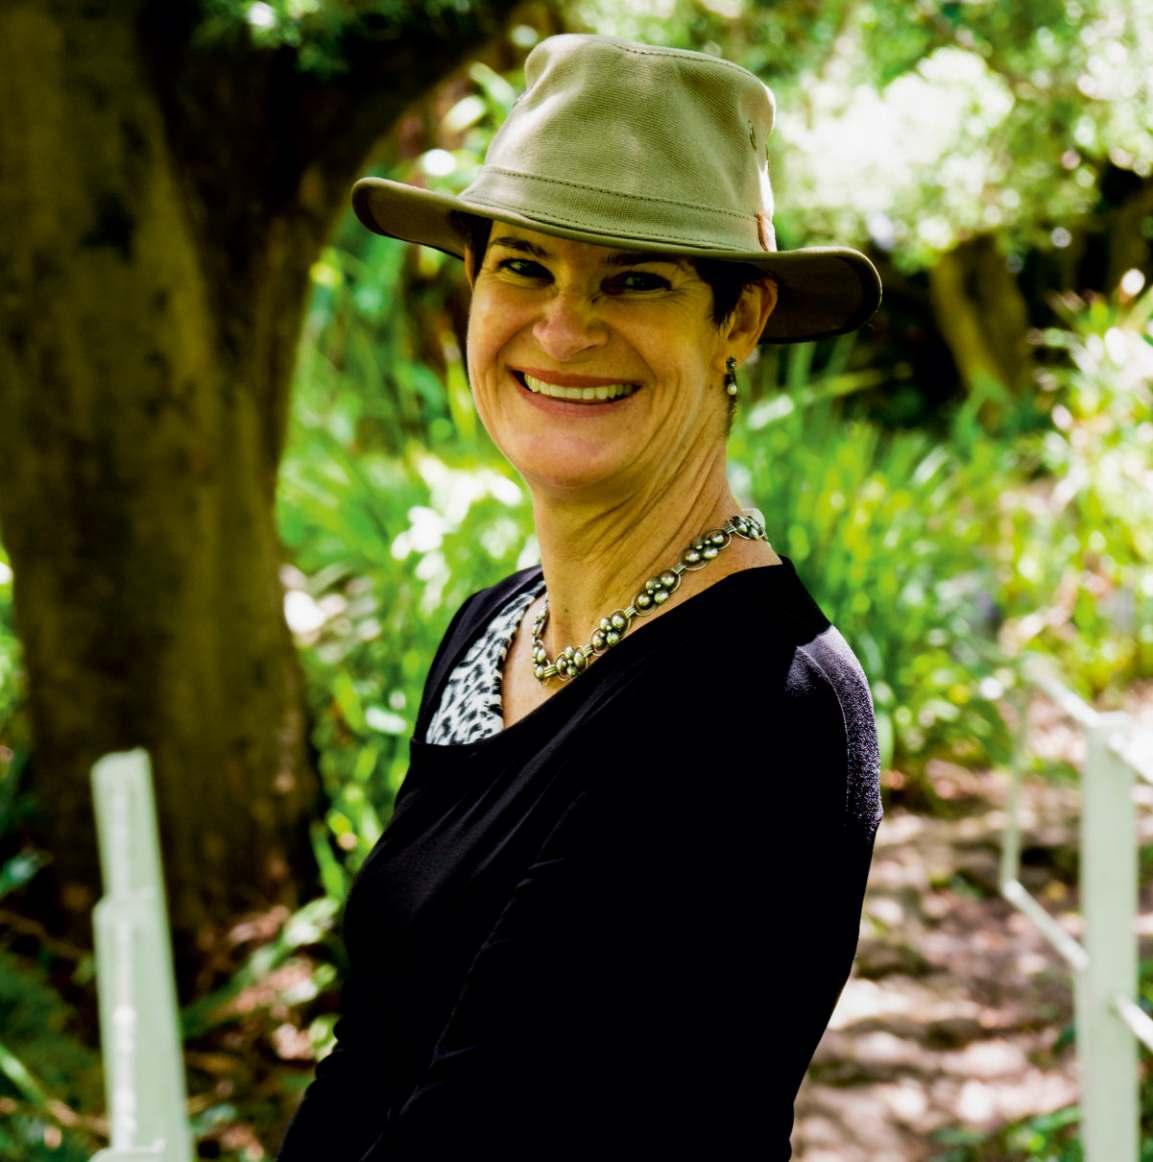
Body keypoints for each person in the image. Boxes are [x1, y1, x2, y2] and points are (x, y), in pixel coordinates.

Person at [277, 33, 884, 1161]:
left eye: (635, 278)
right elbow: (375, 1044)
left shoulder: (757, 700)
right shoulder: (492, 630)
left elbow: (495, 1123)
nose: (563, 328)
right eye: (523, 265)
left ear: (740, 318)